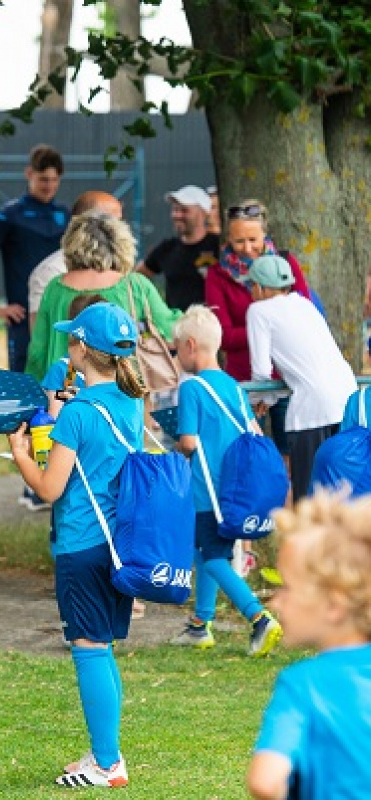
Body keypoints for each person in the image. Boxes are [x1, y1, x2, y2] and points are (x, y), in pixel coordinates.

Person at [8, 301, 143, 788]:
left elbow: (49, 488)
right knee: (101, 648)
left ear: (83, 348)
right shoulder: (130, 401)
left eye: (72, 339)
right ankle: (104, 751)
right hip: (117, 544)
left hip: (81, 544)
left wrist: (21, 454)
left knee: (88, 649)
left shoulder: (78, 415)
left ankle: (107, 764)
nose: (68, 346)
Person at [169, 305, 283, 654]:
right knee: (206, 551)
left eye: (176, 350)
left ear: (190, 345)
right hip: (234, 489)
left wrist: (176, 443)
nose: (177, 357)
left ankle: (259, 618)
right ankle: (200, 625)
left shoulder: (192, 389)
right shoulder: (234, 387)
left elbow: (189, 441)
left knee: (212, 555)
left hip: (207, 491)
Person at [247, 492, 371, 800]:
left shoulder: (303, 683)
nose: (276, 601)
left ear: (335, 603)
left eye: (288, 587)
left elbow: (265, 780)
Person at [244, 254, 356, 502]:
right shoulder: (305, 304)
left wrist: (260, 401)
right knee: (342, 491)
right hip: (346, 396)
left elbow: (261, 372)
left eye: (250, 285)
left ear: (261, 287)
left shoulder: (259, 311)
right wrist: (270, 397)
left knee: (308, 495)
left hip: (313, 407)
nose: (250, 291)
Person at [205, 200, 311, 455]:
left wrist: (260, 328)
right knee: (246, 453)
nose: (248, 249)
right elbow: (223, 337)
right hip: (246, 379)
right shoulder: (218, 274)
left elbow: (305, 317)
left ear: (265, 234)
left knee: (291, 453)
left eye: (254, 239)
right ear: (228, 238)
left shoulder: (285, 263)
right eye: (239, 241)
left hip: (287, 375)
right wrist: (267, 329)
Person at [26, 210, 181, 384]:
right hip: (121, 390)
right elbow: (170, 329)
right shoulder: (135, 285)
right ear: (122, 246)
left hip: (65, 387)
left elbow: (38, 351)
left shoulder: (55, 288)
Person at [0, 144, 70, 372]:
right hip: (23, 317)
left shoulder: (65, 214)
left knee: (64, 379)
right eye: (44, 179)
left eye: (55, 180)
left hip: (60, 312)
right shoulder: (10, 215)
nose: (49, 186)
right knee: (25, 382)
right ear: (29, 174)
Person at [27, 191, 123, 329]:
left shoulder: (121, 268)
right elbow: (39, 335)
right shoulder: (52, 271)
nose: (121, 229)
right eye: (113, 222)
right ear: (83, 223)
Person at [136, 184, 220, 310]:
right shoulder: (167, 248)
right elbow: (136, 277)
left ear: (203, 213)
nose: (177, 215)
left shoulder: (218, 246)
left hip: (211, 324)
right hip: (175, 326)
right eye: (175, 210)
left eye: (184, 210)